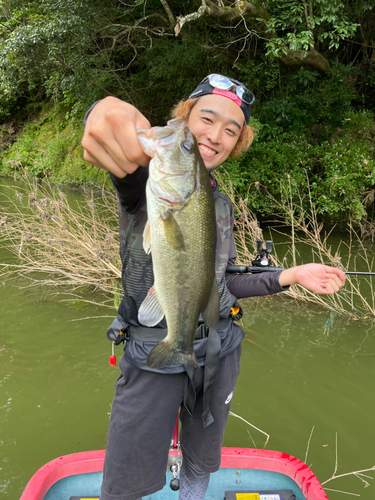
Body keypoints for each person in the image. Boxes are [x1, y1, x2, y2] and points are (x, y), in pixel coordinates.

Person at [81, 74, 345, 500]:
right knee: (126, 478)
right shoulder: (150, 182)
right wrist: (102, 111)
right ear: (184, 117)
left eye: (231, 129)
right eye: (206, 119)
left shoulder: (216, 200)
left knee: (202, 460)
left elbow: (221, 282)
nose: (215, 135)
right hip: (154, 353)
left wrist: (291, 275)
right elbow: (118, 147)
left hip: (219, 350)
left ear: (237, 142)